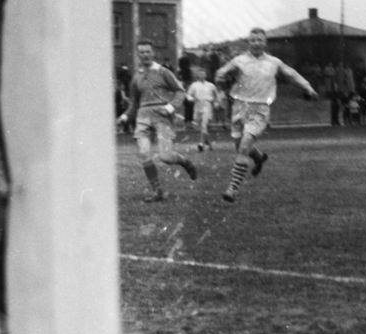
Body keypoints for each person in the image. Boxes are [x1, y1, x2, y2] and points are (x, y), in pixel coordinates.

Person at [214, 27, 318, 203]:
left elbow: (291, 75)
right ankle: (259, 158)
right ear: (249, 42)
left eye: (259, 40)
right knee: (240, 145)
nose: (256, 43)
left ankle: (232, 188)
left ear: (265, 42)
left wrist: (307, 86)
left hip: (260, 109)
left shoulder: (273, 62)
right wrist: (221, 80)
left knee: (245, 145)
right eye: (253, 40)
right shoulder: (239, 61)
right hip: (239, 107)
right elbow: (220, 75)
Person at [118, 40, 197, 202]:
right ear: (138, 54)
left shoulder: (163, 72)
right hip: (143, 117)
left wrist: (170, 107)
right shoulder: (137, 77)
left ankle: (185, 162)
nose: (145, 55)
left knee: (166, 157)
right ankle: (157, 192)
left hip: (162, 116)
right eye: (141, 52)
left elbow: (180, 91)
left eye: (147, 52)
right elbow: (134, 103)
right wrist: (125, 116)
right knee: (144, 153)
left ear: (153, 53)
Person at [187, 67, 218, 152]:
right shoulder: (194, 85)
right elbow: (189, 95)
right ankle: (209, 144)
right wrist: (191, 99)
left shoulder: (211, 85)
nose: (201, 75)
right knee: (201, 127)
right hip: (197, 105)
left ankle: (201, 143)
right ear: (197, 75)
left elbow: (216, 95)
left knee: (204, 125)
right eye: (200, 74)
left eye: (203, 74)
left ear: (206, 75)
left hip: (207, 104)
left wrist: (216, 103)